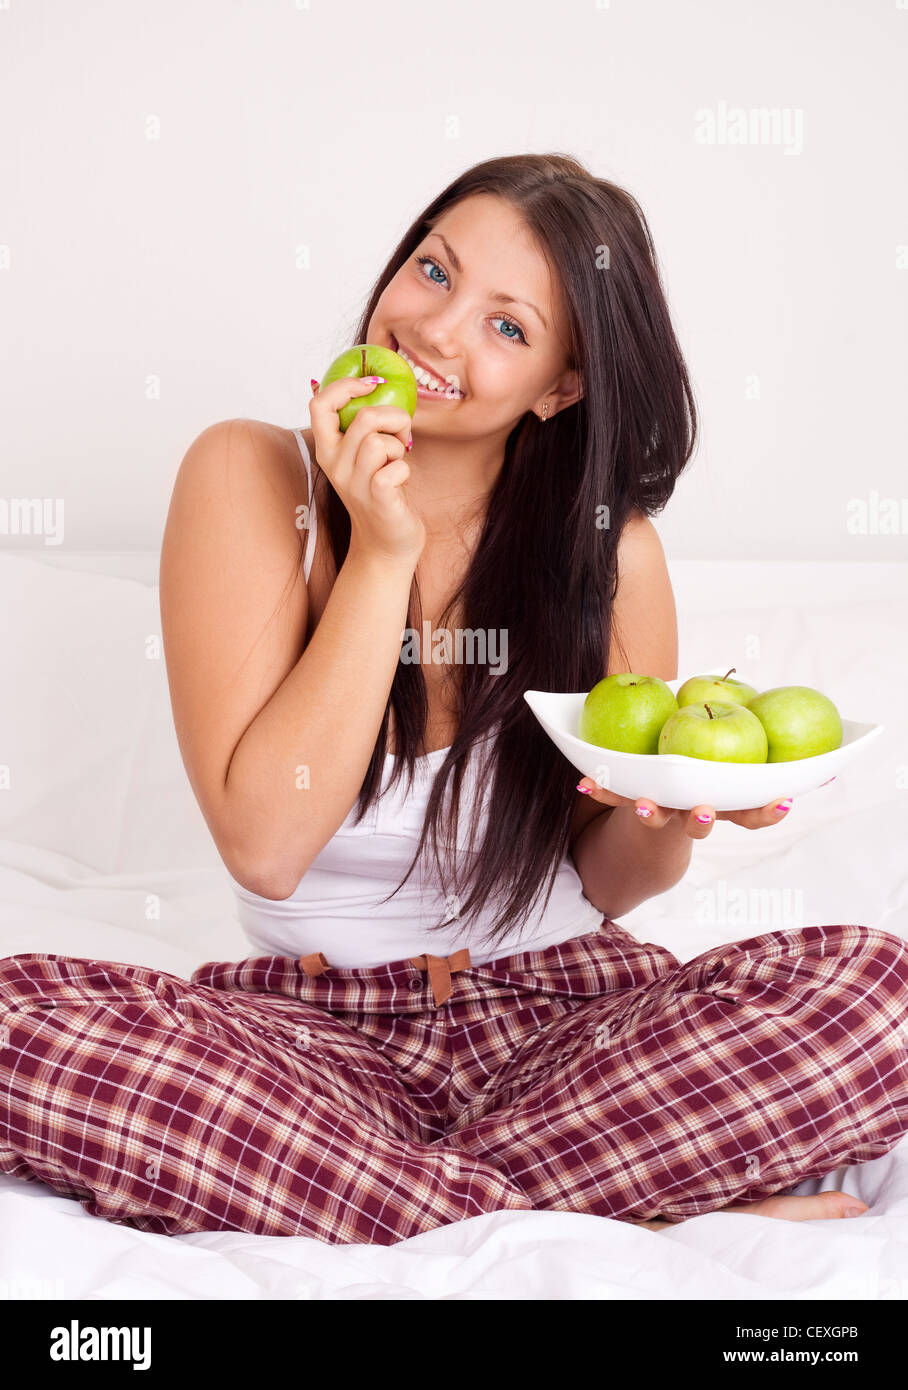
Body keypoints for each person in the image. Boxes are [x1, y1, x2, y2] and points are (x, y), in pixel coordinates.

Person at [1, 154, 904, 1245]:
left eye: (506, 327)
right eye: (432, 272)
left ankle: (396, 1201)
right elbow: (265, 845)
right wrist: (382, 551)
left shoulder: (608, 554)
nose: (432, 330)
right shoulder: (251, 477)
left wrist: (670, 807)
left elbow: (611, 882)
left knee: (875, 990)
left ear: (559, 388)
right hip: (305, 1036)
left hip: (573, 1021)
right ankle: (618, 1213)